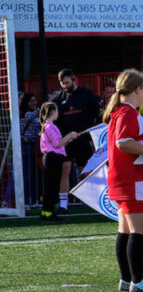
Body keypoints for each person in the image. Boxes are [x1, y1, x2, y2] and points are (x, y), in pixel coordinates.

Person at [103, 69, 143, 292]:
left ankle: (127, 279)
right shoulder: (128, 113)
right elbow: (123, 142)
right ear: (138, 89)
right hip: (133, 179)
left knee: (126, 231)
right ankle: (138, 280)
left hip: (124, 178)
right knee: (138, 232)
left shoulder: (119, 111)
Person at [51, 69, 101, 214]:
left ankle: (95, 202)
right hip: (65, 142)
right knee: (64, 170)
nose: (65, 86)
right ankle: (63, 205)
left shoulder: (87, 95)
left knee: (86, 171)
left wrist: (92, 135)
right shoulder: (58, 99)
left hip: (83, 139)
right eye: (62, 83)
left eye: (67, 82)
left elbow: (97, 115)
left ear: (74, 79)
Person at [38, 102, 79, 221]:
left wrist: (69, 139)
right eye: (56, 111)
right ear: (52, 112)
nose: (58, 114)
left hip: (52, 158)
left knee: (50, 185)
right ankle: (48, 212)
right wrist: (70, 134)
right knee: (52, 186)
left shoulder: (48, 126)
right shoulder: (50, 127)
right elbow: (57, 144)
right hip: (53, 158)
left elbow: (60, 144)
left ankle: (46, 212)